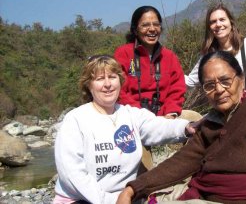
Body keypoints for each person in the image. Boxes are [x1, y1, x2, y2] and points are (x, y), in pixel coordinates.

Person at [117, 51, 246, 204]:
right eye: (209, 85)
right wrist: (134, 187)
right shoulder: (211, 121)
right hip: (206, 194)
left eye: (225, 81)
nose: (219, 89)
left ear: (241, 79)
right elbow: (182, 161)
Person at [53, 55, 195, 204]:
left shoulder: (130, 114)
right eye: (100, 79)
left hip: (126, 197)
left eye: (112, 77)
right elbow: (73, 174)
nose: (108, 84)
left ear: (120, 81)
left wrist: (186, 127)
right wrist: (111, 201)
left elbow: (158, 126)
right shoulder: (75, 119)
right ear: (89, 85)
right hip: (82, 199)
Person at [114, 5, 186, 119]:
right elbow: (118, 89)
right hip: (131, 117)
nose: (152, 29)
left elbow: (177, 89)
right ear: (135, 29)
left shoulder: (169, 56)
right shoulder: (124, 53)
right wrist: (140, 115)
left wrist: (170, 113)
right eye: (145, 25)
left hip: (164, 118)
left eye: (156, 24)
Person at [185, 3, 246, 91]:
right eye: (213, 22)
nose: (218, 24)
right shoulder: (209, 55)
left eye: (222, 19)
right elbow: (189, 82)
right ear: (209, 28)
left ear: (231, 22)